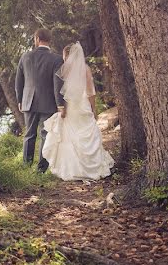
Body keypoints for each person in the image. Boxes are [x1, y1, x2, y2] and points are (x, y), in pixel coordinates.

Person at [41, 42, 115, 181]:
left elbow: (62, 91)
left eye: (64, 55)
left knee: (70, 136)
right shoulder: (85, 68)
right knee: (86, 132)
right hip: (83, 105)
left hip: (71, 106)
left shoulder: (65, 69)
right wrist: (93, 109)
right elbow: (90, 92)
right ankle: (92, 167)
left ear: (68, 55)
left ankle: (72, 169)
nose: (63, 58)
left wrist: (62, 107)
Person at [14, 28, 64, 172]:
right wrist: (60, 104)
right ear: (49, 40)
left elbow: (19, 82)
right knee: (45, 135)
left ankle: (26, 165)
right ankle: (41, 169)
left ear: (36, 39)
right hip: (48, 103)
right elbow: (57, 84)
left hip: (28, 102)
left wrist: (19, 100)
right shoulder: (56, 59)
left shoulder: (25, 56)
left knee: (29, 134)